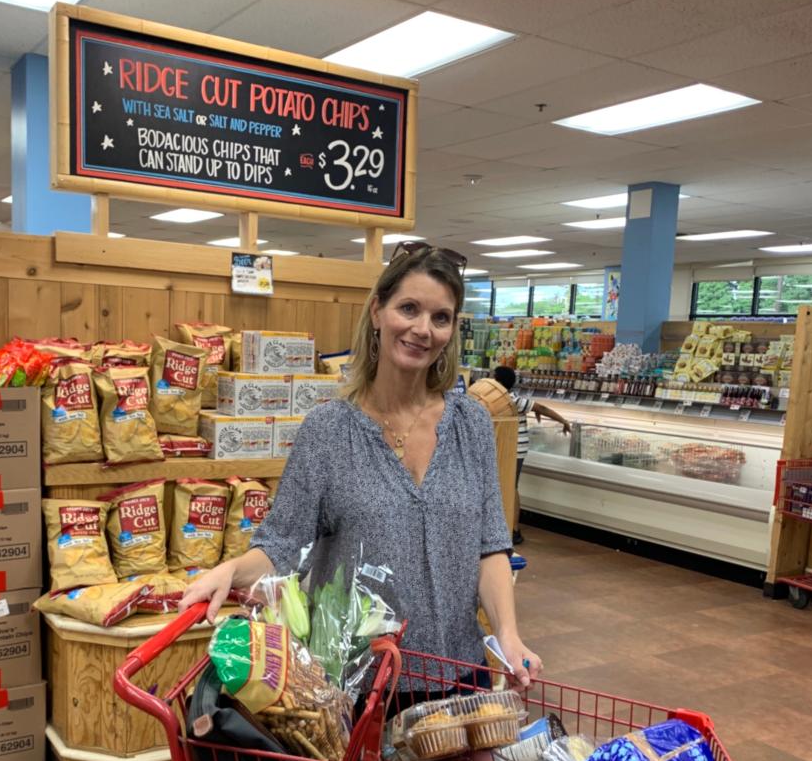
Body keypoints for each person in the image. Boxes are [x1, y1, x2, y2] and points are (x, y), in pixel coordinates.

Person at [181, 242, 543, 690]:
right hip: (360, 687)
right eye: (408, 309)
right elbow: (281, 543)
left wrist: (508, 636)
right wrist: (230, 571)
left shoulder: (471, 424)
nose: (422, 329)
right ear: (377, 312)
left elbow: (490, 546)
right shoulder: (329, 431)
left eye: (440, 317)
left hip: (461, 676)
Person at [491, 364, 571, 545]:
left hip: (513, 449)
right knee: (505, 487)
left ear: (498, 381)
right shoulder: (500, 400)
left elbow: (541, 408)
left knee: (510, 487)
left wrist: (563, 421)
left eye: (492, 378)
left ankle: (514, 530)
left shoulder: (510, 400)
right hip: (504, 448)